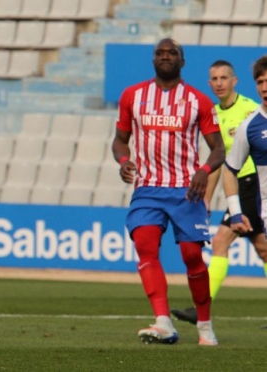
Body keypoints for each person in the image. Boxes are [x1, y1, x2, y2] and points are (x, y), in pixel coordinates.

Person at [112, 38, 225, 346]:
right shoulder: (133, 96)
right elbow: (120, 140)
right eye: (160, 53)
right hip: (148, 188)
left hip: (186, 190)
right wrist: (124, 160)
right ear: (153, 61)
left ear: (182, 61)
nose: (165, 57)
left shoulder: (198, 101)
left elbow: (219, 149)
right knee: (145, 246)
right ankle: (163, 322)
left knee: (191, 256)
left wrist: (203, 171)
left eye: (172, 53)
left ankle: (204, 326)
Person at [171, 60, 267, 325]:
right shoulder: (212, 115)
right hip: (240, 185)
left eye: (224, 78)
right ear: (209, 84)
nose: (219, 83)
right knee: (263, 248)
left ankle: (200, 309)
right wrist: (204, 199)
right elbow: (218, 162)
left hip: (252, 183)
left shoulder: (251, 110)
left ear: (235, 81)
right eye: (214, 79)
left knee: (220, 241)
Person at [221, 56, 267, 325]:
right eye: (260, 81)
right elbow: (229, 169)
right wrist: (236, 212)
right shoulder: (250, 126)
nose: (264, 86)